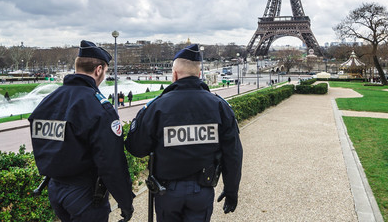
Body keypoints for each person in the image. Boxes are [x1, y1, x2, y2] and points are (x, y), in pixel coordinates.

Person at [125, 44, 243, 221]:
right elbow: (233, 153)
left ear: (174, 74)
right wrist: (232, 189)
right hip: (202, 189)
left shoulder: (157, 107)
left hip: (167, 191)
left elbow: (136, 148)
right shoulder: (219, 106)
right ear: (200, 74)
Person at [29, 40, 134, 222]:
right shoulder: (98, 107)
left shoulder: (48, 101)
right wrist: (125, 202)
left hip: (55, 189)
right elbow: (111, 163)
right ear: (98, 70)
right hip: (85, 194)